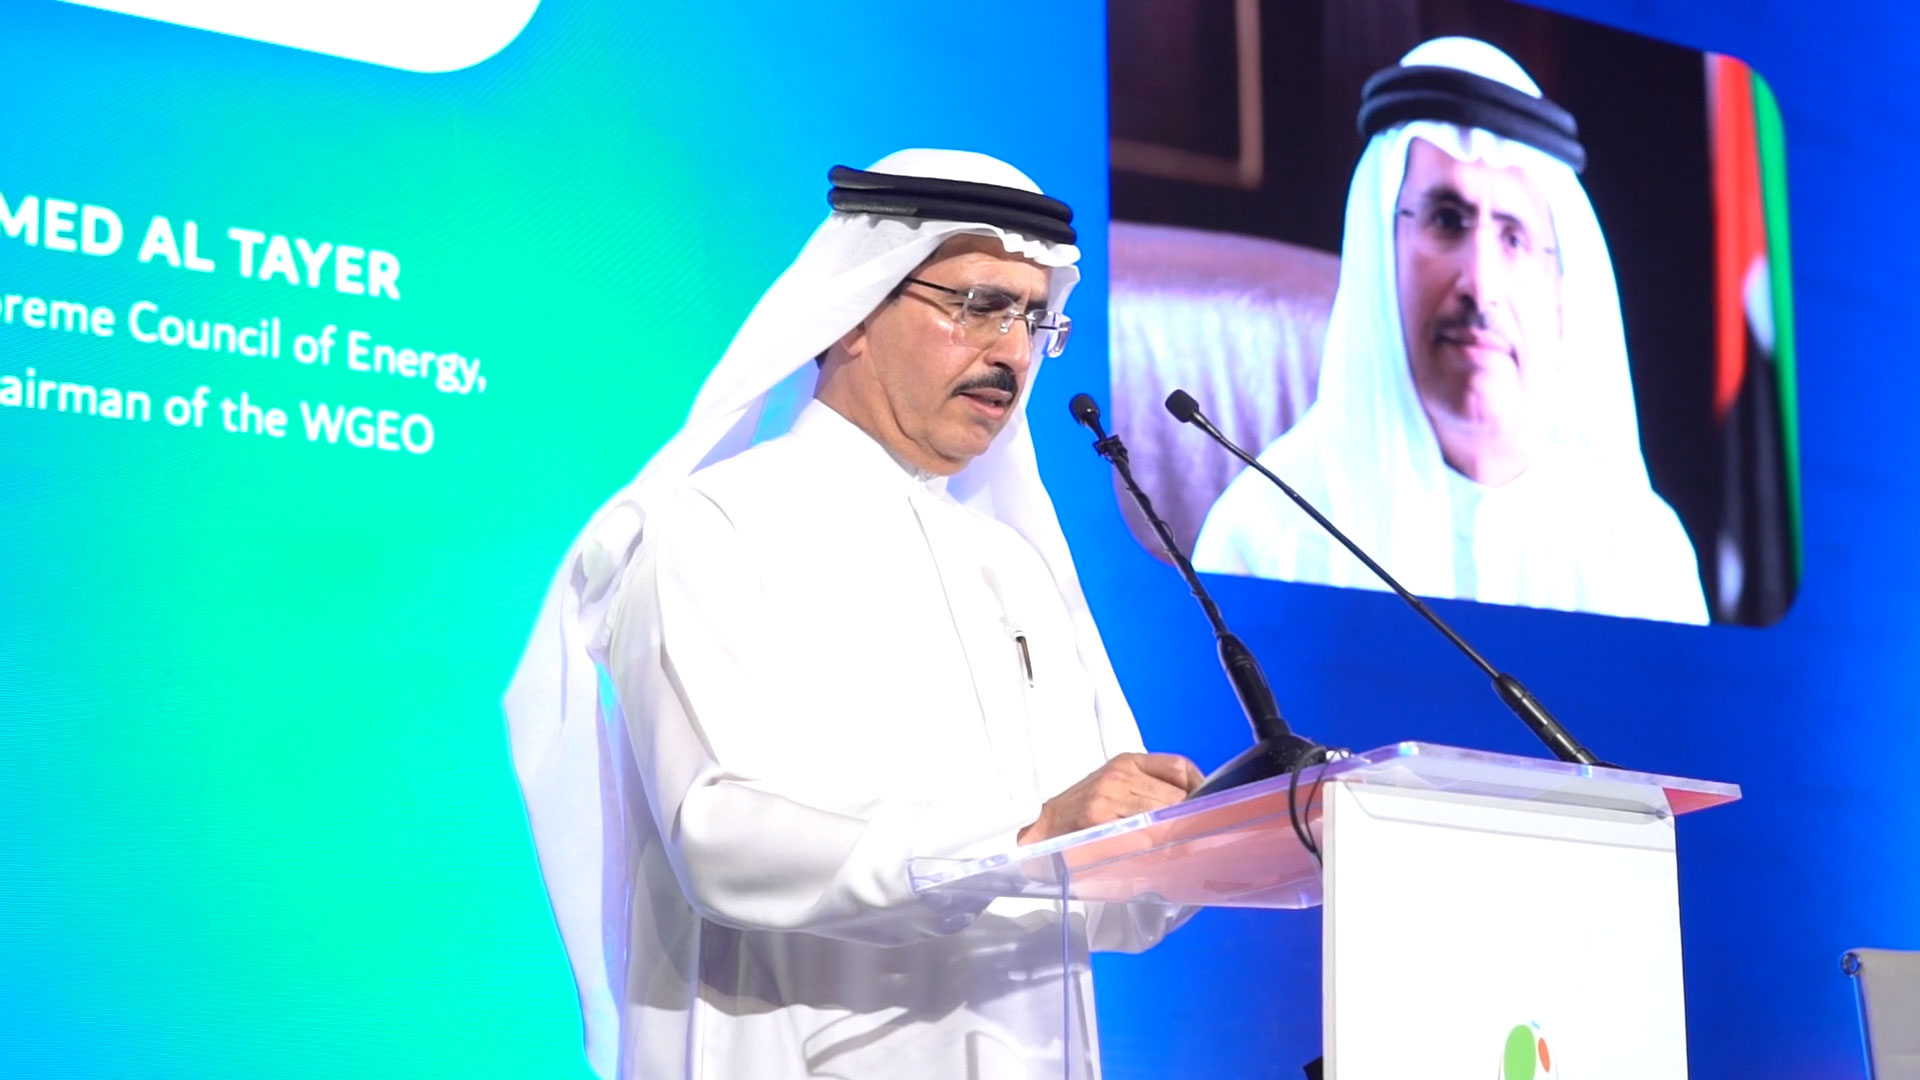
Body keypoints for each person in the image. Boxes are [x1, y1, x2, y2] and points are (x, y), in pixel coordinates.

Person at [504, 149, 1201, 1080]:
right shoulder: (714, 526)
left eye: (1035, 319)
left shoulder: (1016, 569)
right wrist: (1023, 842)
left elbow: (1111, 891)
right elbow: (721, 836)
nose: (1012, 352)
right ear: (856, 312)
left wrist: (1205, 842)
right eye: (980, 305)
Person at [1194, 37, 1709, 626]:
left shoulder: (1642, 556)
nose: (1481, 285)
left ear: (1560, 291)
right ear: (1381, 255)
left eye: (1513, 236)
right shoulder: (1266, 538)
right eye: (1446, 220)